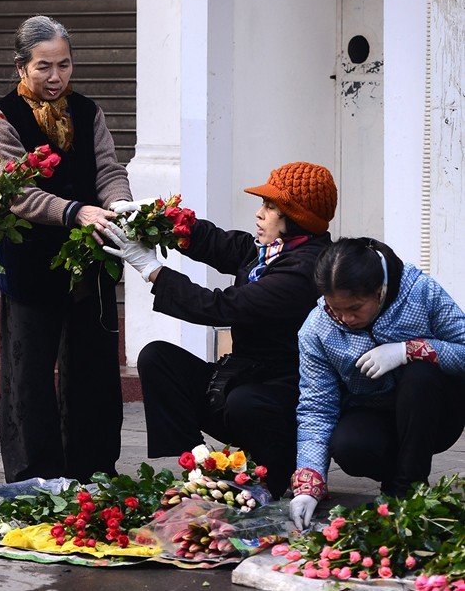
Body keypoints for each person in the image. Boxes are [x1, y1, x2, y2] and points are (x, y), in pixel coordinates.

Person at [103, 161, 338, 499]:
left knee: (244, 402)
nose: (259, 214)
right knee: (158, 358)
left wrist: (152, 270)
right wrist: (158, 218)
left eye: (270, 207)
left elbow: (223, 307)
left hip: (282, 396)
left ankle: (274, 471)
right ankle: (198, 464)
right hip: (243, 379)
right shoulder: (275, 250)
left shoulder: (305, 269)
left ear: (296, 217)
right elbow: (221, 245)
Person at [0, 15, 132, 484]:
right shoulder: (1, 120)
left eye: (64, 65)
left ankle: (93, 474)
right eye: (44, 66)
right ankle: (34, 478)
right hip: (31, 266)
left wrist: (121, 204)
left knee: (93, 372)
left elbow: (107, 169)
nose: (55, 77)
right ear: (21, 66)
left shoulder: (88, 112)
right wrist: (75, 212)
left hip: (91, 264)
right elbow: (16, 193)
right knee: (30, 378)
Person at [289, 237, 465, 530]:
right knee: (348, 445)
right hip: (374, 412)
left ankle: (408, 493)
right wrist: (308, 484)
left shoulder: (421, 292)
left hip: (434, 411)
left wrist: (409, 350)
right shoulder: (316, 329)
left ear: (379, 290)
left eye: (356, 308)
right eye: (336, 309)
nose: (346, 319)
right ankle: (396, 481)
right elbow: (316, 407)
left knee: (419, 377)